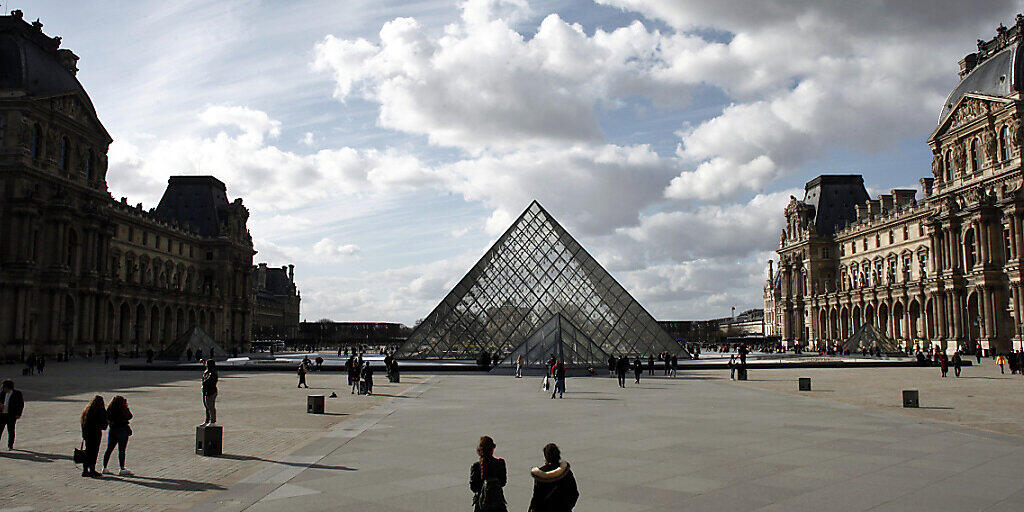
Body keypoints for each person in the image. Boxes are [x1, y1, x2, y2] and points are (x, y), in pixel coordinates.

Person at [528, 443, 579, 512]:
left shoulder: (541, 474)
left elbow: (537, 497)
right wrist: (567, 507)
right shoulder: (566, 472)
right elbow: (574, 493)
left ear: (546, 457)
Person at [470, 436, 507, 512]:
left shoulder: (476, 466)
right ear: (493, 449)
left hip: (482, 505)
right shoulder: (500, 463)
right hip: (497, 503)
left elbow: (473, 487)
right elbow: (503, 482)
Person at [102, 396, 133, 476]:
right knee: (121, 450)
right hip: (122, 430)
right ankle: (122, 468)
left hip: (113, 430)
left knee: (109, 449)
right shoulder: (123, 409)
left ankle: (104, 467)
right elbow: (130, 416)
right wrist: (126, 407)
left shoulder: (110, 409)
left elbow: (107, 418)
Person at [80, 395, 108, 477]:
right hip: (96, 434)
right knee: (94, 452)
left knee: (87, 451)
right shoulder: (100, 411)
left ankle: (85, 470)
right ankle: (92, 470)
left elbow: (83, 423)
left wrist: (84, 434)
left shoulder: (87, 411)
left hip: (87, 434)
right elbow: (104, 425)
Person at [1, 379, 25, 450]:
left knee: (11, 430)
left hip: (11, 415)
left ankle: (10, 445)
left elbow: (21, 404)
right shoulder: (1, 393)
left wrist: (19, 413)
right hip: (2, 415)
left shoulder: (17, 394)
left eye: (5, 387)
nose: (3, 389)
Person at [202, 360, 218, 425]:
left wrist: (205, 383)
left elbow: (209, 381)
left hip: (211, 391)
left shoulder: (213, 372)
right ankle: (207, 420)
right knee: (207, 406)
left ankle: (213, 421)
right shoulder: (207, 371)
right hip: (206, 391)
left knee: (211, 406)